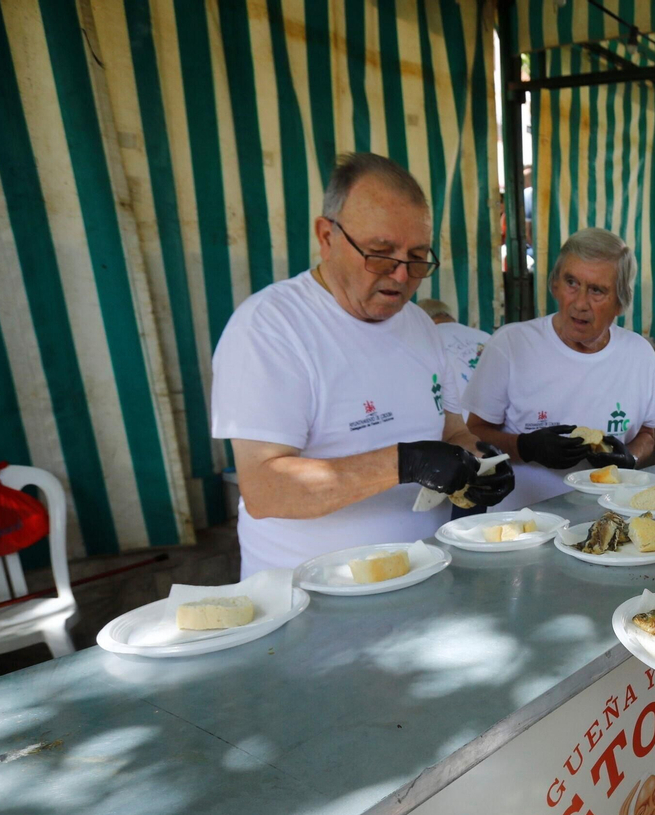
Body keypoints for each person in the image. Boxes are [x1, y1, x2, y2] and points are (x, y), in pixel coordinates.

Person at [210, 152, 513, 577]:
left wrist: (480, 459)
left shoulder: (421, 325)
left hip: (423, 574)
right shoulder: (270, 327)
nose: (401, 275)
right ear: (327, 236)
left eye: (417, 257)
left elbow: (451, 429)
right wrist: (404, 463)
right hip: (310, 598)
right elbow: (266, 489)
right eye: (380, 253)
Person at [464, 227, 655, 510]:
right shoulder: (511, 345)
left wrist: (630, 458)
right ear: (554, 285)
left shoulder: (639, 354)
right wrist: (525, 447)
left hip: (610, 514)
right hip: (524, 523)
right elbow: (473, 431)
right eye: (572, 283)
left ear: (620, 302)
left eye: (597, 290)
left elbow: (648, 432)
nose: (580, 303)